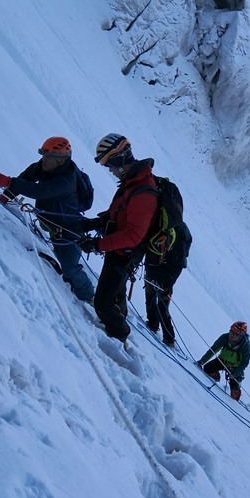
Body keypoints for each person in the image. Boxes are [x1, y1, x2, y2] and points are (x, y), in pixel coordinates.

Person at [0, 136, 94, 303]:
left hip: (69, 231)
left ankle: (89, 297)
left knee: (70, 268)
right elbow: (26, 178)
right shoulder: (46, 167)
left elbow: (40, 190)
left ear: (61, 160)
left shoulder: (66, 181)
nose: (43, 160)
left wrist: (9, 182)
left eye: (48, 157)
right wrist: (6, 196)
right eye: (43, 155)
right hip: (53, 225)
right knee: (66, 263)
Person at [78, 134, 159, 342]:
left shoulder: (143, 192)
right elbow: (119, 211)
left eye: (110, 165)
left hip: (123, 254)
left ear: (120, 161)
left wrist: (99, 244)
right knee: (115, 293)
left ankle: (119, 335)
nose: (110, 170)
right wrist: (95, 224)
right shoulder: (132, 183)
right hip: (118, 250)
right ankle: (119, 320)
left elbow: (133, 234)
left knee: (103, 303)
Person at [144, 218, 191, 348]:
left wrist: (169, 284)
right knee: (151, 295)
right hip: (156, 267)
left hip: (164, 271)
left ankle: (169, 338)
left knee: (162, 305)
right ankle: (153, 323)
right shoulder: (162, 224)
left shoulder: (179, 235)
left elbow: (178, 265)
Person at [197, 321, 250, 400]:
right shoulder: (224, 337)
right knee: (207, 369)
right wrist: (202, 361)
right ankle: (215, 376)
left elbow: (244, 363)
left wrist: (236, 373)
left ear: (241, 336)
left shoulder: (245, 346)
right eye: (231, 332)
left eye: (235, 334)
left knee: (234, 394)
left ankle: (236, 390)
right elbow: (213, 350)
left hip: (234, 368)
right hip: (222, 361)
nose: (231, 335)